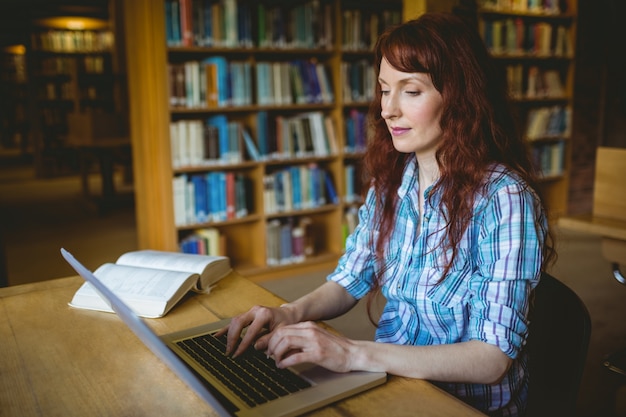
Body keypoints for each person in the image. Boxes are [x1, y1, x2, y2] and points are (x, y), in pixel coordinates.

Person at [220, 12, 555, 417]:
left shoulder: (505, 200)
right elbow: (351, 278)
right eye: (384, 90)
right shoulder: (393, 180)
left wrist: (352, 353)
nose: (388, 111)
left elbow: (491, 358)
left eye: (410, 91)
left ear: (461, 98)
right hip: (387, 381)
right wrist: (286, 313)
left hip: (461, 405)